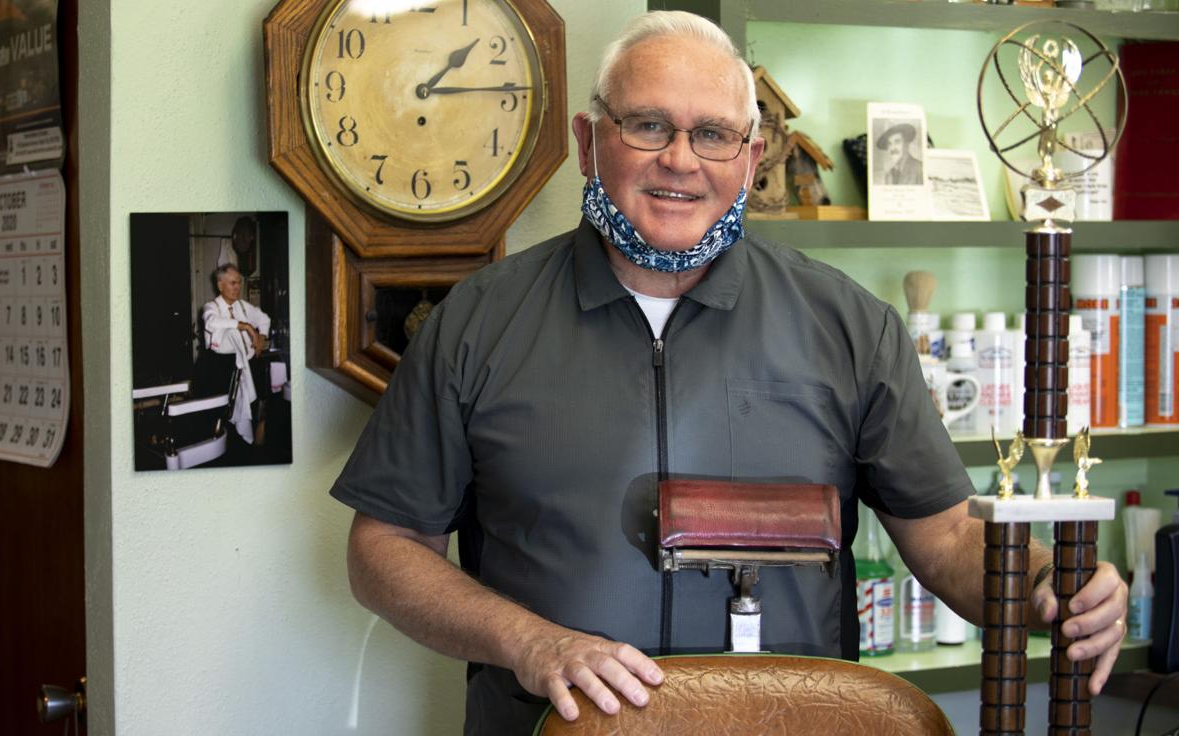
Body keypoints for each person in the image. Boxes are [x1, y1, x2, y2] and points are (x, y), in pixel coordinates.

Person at [330, 12, 1127, 735]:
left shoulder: (847, 325)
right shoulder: (478, 322)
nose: (680, 161)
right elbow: (385, 547)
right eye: (647, 125)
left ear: (750, 158)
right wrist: (530, 642)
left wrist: (1052, 586)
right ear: (587, 140)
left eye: (713, 134)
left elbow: (949, 536)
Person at [202, 263, 270, 443]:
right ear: (220, 285)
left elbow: (264, 319)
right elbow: (211, 323)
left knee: (252, 412)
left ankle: (249, 453)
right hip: (221, 370)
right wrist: (243, 325)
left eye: (239, 283)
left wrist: (261, 336)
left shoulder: (243, 307)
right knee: (224, 420)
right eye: (233, 283)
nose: (238, 287)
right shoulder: (211, 307)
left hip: (248, 366)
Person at [877, 121, 923, 186]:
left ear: (906, 144)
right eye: (890, 144)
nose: (893, 148)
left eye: (897, 142)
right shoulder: (888, 175)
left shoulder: (920, 169)